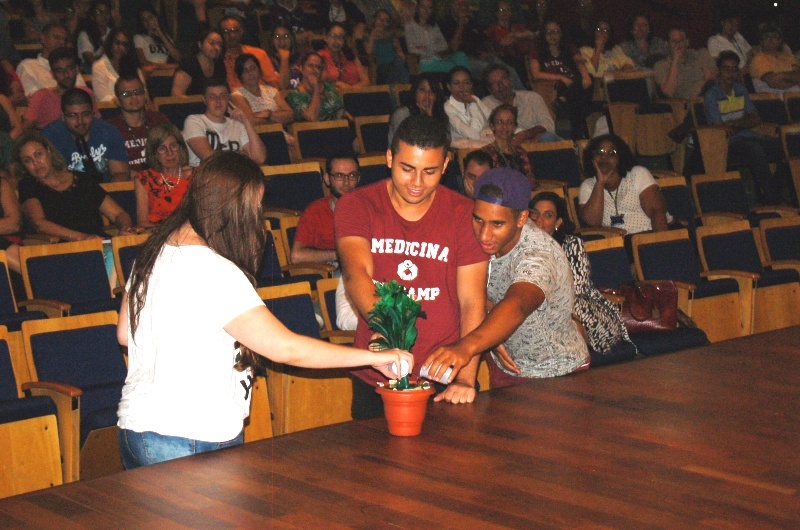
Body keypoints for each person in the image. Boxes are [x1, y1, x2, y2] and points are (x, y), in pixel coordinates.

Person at [117, 151, 412, 468]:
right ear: (232, 209)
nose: (257, 219)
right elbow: (286, 349)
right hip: (187, 434)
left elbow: (124, 333)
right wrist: (376, 357)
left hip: (138, 428)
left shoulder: (155, 251)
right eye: (254, 209)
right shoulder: (212, 269)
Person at [335, 114, 488, 416]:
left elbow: (472, 301)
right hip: (377, 372)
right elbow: (356, 274)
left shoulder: (463, 213)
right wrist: (388, 330)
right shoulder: (357, 205)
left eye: (430, 171)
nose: (417, 183)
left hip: (445, 374)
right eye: (407, 169)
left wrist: (467, 379)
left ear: (445, 166)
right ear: (389, 158)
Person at [421, 168, 589, 389]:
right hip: (504, 366)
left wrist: (467, 346)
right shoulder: (471, 234)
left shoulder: (538, 255)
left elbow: (517, 305)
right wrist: (490, 331)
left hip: (556, 373)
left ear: (521, 218)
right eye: (478, 219)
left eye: (497, 224)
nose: (484, 235)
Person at [529, 191, 636, 356]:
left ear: (557, 222)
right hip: (543, 310)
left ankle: (576, 357)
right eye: (535, 214)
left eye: (548, 215)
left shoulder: (571, 245)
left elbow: (575, 290)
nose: (539, 220)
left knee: (563, 310)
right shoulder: (522, 247)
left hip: (583, 309)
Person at [13, 131, 134, 241]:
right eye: (27, 160)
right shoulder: (28, 186)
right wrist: (82, 237)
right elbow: (40, 224)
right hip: (66, 249)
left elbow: (118, 214)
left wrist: (125, 229)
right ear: (23, 165)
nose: (35, 163)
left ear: (48, 152)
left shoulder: (82, 179)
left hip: (99, 242)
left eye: (38, 154)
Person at [704, 51, 788, 205]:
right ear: (719, 70)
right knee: (754, 149)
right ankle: (772, 199)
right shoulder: (712, 95)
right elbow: (719, 128)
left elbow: (756, 118)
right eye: (726, 69)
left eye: (734, 69)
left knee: (784, 146)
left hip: (748, 136)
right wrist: (743, 122)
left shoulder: (740, 90)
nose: (730, 73)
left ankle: (774, 192)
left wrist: (733, 124)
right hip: (726, 144)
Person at [578, 133, 670, 234]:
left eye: (611, 153)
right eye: (600, 152)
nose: (605, 157)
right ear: (592, 157)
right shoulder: (588, 186)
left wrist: (660, 245)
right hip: (616, 245)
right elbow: (592, 223)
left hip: (648, 236)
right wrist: (600, 182)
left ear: (620, 157)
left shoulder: (637, 174)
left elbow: (658, 214)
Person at [43, 88, 130, 183]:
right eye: (73, 115)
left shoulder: (109, 131)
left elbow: (120, 173)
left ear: (93, 114)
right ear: (63, 117)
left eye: (85, 114)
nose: (80, 121)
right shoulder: (49, 137)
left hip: (107, 191)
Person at [291, 152, 359, 266]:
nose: (346, 182)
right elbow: (296, 256)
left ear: (359, 178)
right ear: (327, 179)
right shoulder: (316, 211)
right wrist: (338, 255)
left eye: (352, 175)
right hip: (334, 271)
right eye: (339, 176)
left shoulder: (370, 208)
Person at [529, 20, 592, 139]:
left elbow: (579, 62)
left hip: (573, 85)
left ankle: (564, 100)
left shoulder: (570, 48)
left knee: (588, 80)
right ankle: (577, 131)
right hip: (554, 87)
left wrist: (585, 75)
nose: (552, 35)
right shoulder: (537, 50)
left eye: (556, 32)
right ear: (544, 34)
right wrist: (561, 77)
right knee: (578, 100)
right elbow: (536, 74)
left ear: (561, 34)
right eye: (549, 32)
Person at [182, 78, 267, 166]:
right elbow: (208, 157)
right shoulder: (194, 121)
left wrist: (246, 122)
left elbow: (259, 158)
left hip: (236, 176)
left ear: (228, 98)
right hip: (207, 176)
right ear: (204, 99)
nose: (218, 100)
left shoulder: (238, 125)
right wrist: (242, 155)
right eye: (212, 96)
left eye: (222, 96)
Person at [23, 47, 100, 131]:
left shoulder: (86, 93)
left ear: (76, 70)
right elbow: (25, 128)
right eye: (60, 71)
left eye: (69, 69)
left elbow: (96, 124)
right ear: (52, 74)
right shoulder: (41, 96)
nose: (66, 75)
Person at [482, 64, 559, 144]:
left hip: (536, 143)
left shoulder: (531, 97)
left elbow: (548, 125)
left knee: (548, 137)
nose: (500, 85)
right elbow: (485, 133)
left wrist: (526, 134)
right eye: (494, 83)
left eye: (503, 79)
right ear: (489, 89)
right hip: (505, 146)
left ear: (511, 80)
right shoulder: (485, 104)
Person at [134, 123, 192, 227]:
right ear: (154, 154)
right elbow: (143, 223)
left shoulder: (196, 176)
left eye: (174, 146)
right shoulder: (144, 179)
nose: (169, 153)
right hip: (157, 235)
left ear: (181, 148)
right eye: (162, 148)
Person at [108, 76, 170, 173]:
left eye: (138, 92)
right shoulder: (110, 127)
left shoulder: (158, 119)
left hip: (162, 178)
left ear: (145, 96)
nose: (134, 97)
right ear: (117, 101)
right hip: (128, 182)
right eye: (126, 94)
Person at [16, 22, 89, 97]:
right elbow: (32, 98)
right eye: (57, 37)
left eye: (64, 39)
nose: (62, 42)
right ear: (43, 38)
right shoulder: (28, 66)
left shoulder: (70, 67)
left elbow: (83, 94)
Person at [404, 0, 469, 74]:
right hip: (423, 61)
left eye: (429, 7)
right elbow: (412, 49)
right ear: (417, 8)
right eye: (423, 7)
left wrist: (427, 48)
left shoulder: (434, 26)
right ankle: (460, 79)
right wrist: (432, 47)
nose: (426, 10)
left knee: (460, 55)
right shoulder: (410, 26)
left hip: (437, 57)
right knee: (454, 68)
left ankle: (466, 83)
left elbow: (443, 46)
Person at [230, 53, 294, 126]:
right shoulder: (237, 95)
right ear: (240, 75)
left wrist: (269, 114)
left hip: (281, 133)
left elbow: (290, 115)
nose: (250, 73)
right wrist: (279, 117)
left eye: (253, 68)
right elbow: (251, 121)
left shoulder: (271, 91)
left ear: (259, 70)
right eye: (245, 71)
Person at [653, 28, 716, 100]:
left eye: (681, 40)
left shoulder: (701, 54)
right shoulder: (661, 65)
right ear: (667, 44)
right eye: (674, 41)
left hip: (708, 97)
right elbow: (669, 93)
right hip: (686, 105)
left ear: (687, 42)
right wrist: (675, 61)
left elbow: (713, 79)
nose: (678, 44)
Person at [481, 104, 535, 189]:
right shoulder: (486, 153)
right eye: (499, 122)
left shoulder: (520, 152)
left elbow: (530, 180)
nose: (504, 126)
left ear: (514, 127)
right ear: (492, 126)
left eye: (509, 122)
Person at [220, 16, 279, 92]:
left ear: (241, 31)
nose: (231, 35)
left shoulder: (259, 53)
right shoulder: (219, 58)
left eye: (234, 30)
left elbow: (273, 84)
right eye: (225, 32)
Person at [388, 72, 446, 145]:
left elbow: (442, 142)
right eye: (422, 90)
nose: (427, 95)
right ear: (415, 92)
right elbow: (407, 143)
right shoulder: (402, 113)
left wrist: (430, 117)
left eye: (431, 91)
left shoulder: (440, 113)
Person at [285, 52, 345, 122]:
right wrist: (315, 87)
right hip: (319, 131)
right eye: (310, 66)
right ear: (301, 68)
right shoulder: (295, 95)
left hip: (342, 127)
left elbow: (341, 109)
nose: (315, 70)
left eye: (318, 67)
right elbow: (312, 117)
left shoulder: (328, 86)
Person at [485, 0, 536, 82]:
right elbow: (504, 41)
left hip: (522, 59)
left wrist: (514, 36)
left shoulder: (517, 27)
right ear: (496, 13)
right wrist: (521, 36)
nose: (505, 12)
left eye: (508, 10)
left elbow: (532, 35)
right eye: (502, 10)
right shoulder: (493, 29)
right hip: (503, 61)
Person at [443, 66, 492, 145]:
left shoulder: (474, 98)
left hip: (485, 145)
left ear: (471, 85)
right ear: (449, 87)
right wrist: (473, 105)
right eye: (456, 83)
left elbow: (493, 117)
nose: (461, 87)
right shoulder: (448, 108)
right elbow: (473, 135)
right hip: (464, 150)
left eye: (466, 83)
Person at [91, 28, 143, 103]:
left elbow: (143, 92)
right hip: (111, 110)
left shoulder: (133, 66)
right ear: (110, 43)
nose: (120, 48)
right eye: (117, 43)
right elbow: (103, 97)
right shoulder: (99, 66)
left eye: (124, 44)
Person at [171, 29, 226, 97]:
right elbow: (176, 94)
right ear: (200, 44)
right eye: (212, 43)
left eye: (219, 44)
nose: (216, 47)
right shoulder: (189, 64)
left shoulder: (219, 65)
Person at [749, 24, 800, 95]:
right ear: (761, 41)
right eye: (767, 37)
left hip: (792, 92)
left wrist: (783, 75)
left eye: (775, 37)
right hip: (774, 97)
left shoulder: (787, 57)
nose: (771, 40)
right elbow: (775, 83)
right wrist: (794, 79)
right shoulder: (759, 59)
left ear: (780, 41)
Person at [362, 9, 408, 85]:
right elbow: (368, 51)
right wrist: (373, 34)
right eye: (380, 18)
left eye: (386, 20)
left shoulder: (390, 34)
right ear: (374, 19)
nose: (382, 22)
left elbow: (398, 49)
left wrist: (402, 56)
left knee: (401, 69)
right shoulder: (368, 34)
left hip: (395, 62)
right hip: (381, 66)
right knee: (399, 71)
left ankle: (398, 92)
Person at [317, 22, 369, 90]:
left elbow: (366, 81)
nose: (337, 41)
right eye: (333, 36)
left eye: (341, 37)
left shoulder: (350, 55)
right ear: (325, 37)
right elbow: (318, 82)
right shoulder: (319, 57)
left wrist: (350, 89)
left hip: (354, 94)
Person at [133, 7, 181, 75]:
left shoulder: (166, 38)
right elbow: (143, 62)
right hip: (151, 72)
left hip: (166, 71)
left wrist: (160, 33)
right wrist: (169, 66)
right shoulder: (139, 38)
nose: (147, 21)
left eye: (150, 17)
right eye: (144, 19)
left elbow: (178, 57)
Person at [77, 0, 113, 70]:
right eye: (99, 12)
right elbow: (92, 62)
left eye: (106, 12)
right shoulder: (85, 35)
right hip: (90, 73)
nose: (104, 15)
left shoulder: (113, 33)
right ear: (92, 16)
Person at [267, 25, 301, 90]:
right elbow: (283, 88)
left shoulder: (300, 58)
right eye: (277, 37)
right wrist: (284, 59)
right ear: (272, 40)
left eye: (286, 36)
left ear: (291, 38)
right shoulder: (267, 61)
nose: (281, 41)